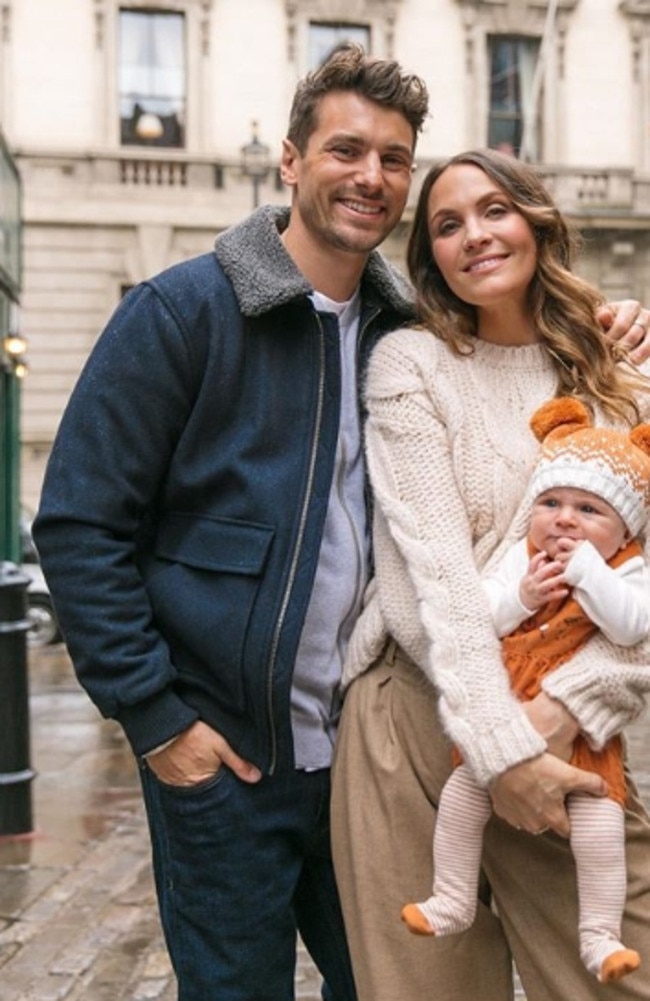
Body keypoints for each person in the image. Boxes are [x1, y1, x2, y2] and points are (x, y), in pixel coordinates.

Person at [32, 48, 650, 1000]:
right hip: (235, 749)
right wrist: (159, 720)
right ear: (290, 160)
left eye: (394, 159)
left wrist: (599, 331)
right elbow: (79, 525)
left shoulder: (400, 325)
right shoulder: (184, 312)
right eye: (346, 150)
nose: (371, 176)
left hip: (390, 733)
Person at [330, 147, 650, 1001]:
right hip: (416, 715)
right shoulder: (410, 365)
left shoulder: (623, 376)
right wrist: (505, 747)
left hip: (572, 723)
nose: (474, 234)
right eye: (446, 223)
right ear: (429, 255)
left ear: (536, 220)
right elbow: (425, 580)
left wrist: (567, 708)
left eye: (495, 210)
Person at [400, 395, 650, 984]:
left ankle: (597, 935)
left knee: (600, 830)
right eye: (551, 503)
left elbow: (631, 626)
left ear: (624, 531)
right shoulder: (523, 557)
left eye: (589, 510)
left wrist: (588, 571)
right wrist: (522, 597)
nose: (564, 520)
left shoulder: (625, 569)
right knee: (462, 800)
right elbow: (478, 615)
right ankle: (453, 897)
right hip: (504, 712)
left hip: (585, 734)